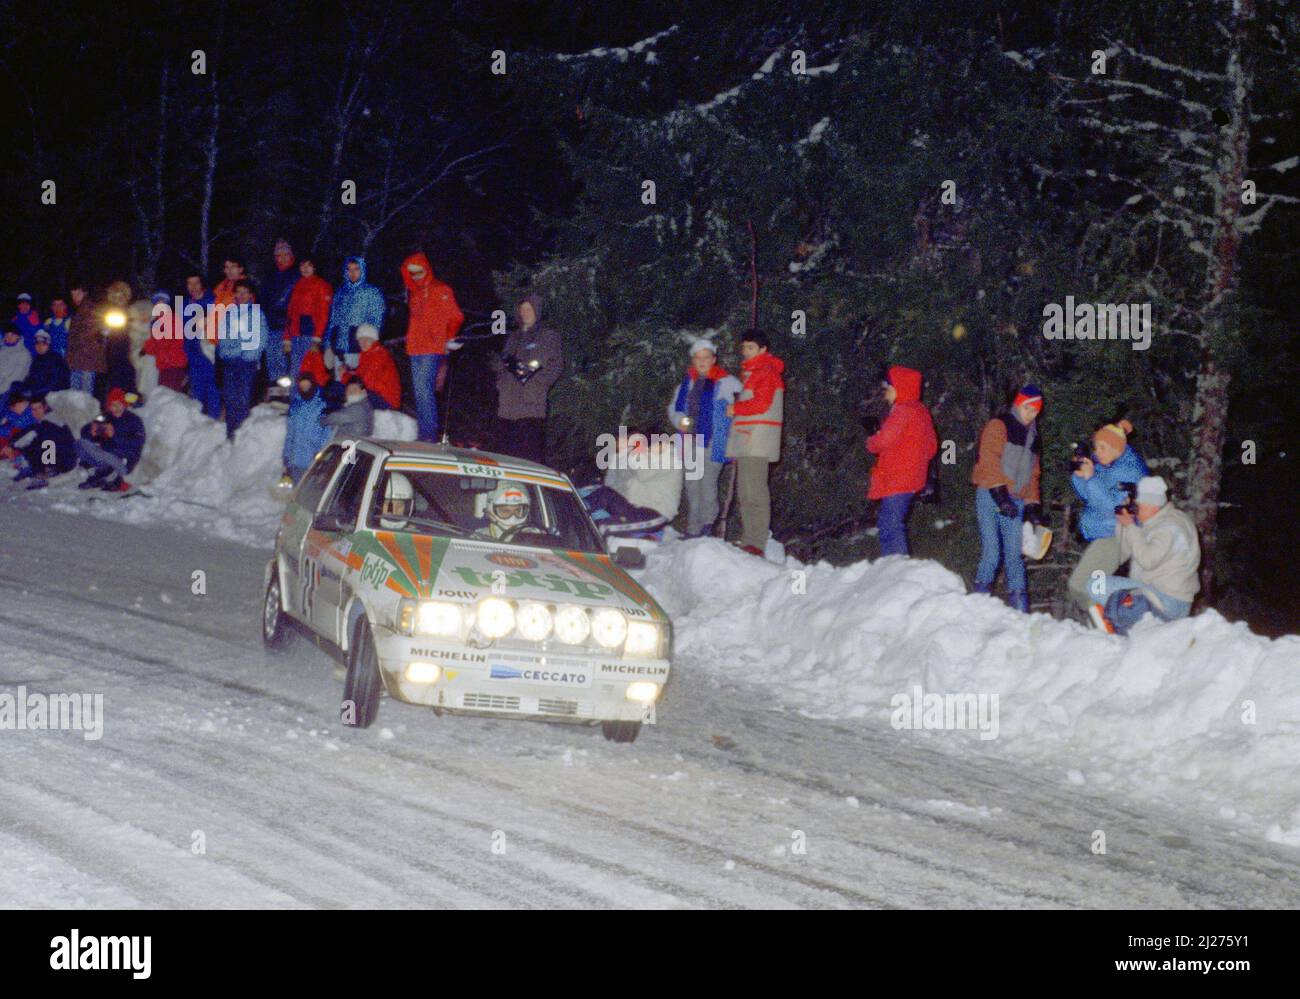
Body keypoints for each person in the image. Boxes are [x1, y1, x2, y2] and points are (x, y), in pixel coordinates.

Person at [1091, 476, 1201, 634]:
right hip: (1163, 596)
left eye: (1139, 505)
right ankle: (1121, 622)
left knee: (1099, 588)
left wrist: (1130, 526)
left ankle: (1116, 628)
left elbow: (1147, 560)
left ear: (1153, 505)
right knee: (1100, 582)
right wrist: (1123, 525)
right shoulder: (1159, 521)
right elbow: (1120, 556)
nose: (1136, 509)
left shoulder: (1170, 527)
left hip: (1167, 602)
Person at [971, 385, 1044, 612]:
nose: (1031, 414)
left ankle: (1019, 607)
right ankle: (978, 604)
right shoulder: (999, 425)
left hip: (1016, 500)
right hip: (990, 494)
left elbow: (1033, 473)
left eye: (1035, 410)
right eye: (1027, 408)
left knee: (1014, 555)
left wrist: (1032, 503)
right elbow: (989, 460)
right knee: (992, 552)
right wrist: (999, 495)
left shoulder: (1033, 436)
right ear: (1018, 404)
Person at [1067, 419, 1149, 613]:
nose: (1097, 453)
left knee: (1082, 585)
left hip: (1118, 535)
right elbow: (1091, 496)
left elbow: (1112, 507)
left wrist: (1091, 478)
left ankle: (1109, 625)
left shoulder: (1131, 471)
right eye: (1096, 447)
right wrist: (1079, 477)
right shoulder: (1108, 464)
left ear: (1116, 447)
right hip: (1105, 532)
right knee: (1088, 587)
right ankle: (1105, 624)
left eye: (1103, 447)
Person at [666, 338, 740, 537]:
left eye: (706, 357)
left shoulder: (727, 382)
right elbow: (674, 408)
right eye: (698, 358)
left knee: (707, 482)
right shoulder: (685, 384)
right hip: (689, 439)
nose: (702, 361)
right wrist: (679, 419)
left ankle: (708, 524)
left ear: (713, 359)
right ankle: (693, 528)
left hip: (714, 440)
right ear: (692, 360)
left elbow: (740, 408)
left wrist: (735, 440)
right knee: (692, 484)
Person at [865, 365, 938, 556]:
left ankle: (897, 569)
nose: (885, 393)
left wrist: (871, 441)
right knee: (890, 521)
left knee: (890, 524)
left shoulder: (902, 411)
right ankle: (894, 567)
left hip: (898, 478)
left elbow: (884, 440)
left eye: (888, 388)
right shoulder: (921, 411)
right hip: (913, 479)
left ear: (899, 388)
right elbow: (932, 447)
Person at [725, 329, 785, 556]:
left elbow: (761, 403)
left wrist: (736, 408)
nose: (746, 352)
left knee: (754, 491)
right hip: (748, 437)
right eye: (744, 347)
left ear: (763, 349)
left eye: (751, 347)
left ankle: (756, 541)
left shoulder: (766, 370)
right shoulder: (751, 372)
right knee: (746, 491)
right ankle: (748, 537)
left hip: (758, 438)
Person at [401, 252, 464, 442]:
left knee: (424, 390)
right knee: (419, 392)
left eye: (419, 272)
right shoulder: (415, 293)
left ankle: (428, 435)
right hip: (415, 348)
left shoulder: (441, 289)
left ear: (427, 270)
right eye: (412, 273)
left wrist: (449, 338)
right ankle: (424, 433)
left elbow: (456, 316)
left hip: (432, 347)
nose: (416, 276)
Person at [496, 293, 562, 464]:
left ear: (537, 311)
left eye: (529, 309)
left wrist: (536, 381)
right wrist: (501, 382)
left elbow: (536, 367)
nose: (525, 313)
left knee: (529, 455)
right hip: (507, 406)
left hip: (531, 405)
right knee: (507, 455)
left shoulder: (547, 336)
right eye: (522, 309)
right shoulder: (513, 337)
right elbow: (503, 364)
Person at [582, 429, 683, 538]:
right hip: (634, 508)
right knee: (605, 493)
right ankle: (576, 512)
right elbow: (618, 485)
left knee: (602, 526)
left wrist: (635, 452)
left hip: (655, 514)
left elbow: (644, 474)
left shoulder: (670, 459)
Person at [216, 279, 263, 438]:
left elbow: (260, 338)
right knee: (229, 398)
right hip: (230, 362)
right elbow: (223, 335)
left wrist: (248, 354)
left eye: (245, 292)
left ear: (250, 295)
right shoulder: (229, 312)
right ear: (234, 294)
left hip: (246, 362)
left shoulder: (256, 313)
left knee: (243, 399)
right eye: (239, 292)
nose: (241, 296)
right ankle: (230, 433)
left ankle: (241, 435)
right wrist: (225, 352)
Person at [77, 387, 146, 492]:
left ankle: (111, 476)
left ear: (124, 404)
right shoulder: (105, 416)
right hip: (105, 455)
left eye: (118, 404)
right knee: (79, 443)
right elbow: (86, 430)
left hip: (123, 460)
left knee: (109, 455)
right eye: (112, 405)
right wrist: (91, 430)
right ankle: (101, 473)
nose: (115, 408)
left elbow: (136, 444)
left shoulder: (134, 420)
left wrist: (115, 435)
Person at [325, 255, 385, 375]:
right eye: (349, 269)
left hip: (359, 342)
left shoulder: (372, 292)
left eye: (356, 269)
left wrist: (369, 341)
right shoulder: (340, 293)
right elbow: (332, 320)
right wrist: (327, 344)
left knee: (358, 379)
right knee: (341, 378)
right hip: (340, 342)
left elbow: (377, 319)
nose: (352, 273)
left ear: (362, 270)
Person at [284, 256, 333, 396]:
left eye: (309, 265)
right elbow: (291, 313)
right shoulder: (297, 285)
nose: (305, 268)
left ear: (315, 267)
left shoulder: (321, 285)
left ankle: (313, 403)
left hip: (311, 336)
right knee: (295, 371)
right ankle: (296, 402)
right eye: (303, 265)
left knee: (312, 370)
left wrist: (317, 338)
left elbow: (323, 314)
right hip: (296, 335)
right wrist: (287, 338)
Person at [11, 395, 77, 489]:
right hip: (63, 459)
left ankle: (41, 474)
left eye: (39, 408)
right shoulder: (47, 419)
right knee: (31, 439)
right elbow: (28, 430)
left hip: (65, 461)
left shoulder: (49, 421)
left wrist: (13, 446)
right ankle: (41, 469)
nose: (36, 412)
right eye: (33, 409)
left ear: (45, 407)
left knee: (32, 442)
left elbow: (38, 437)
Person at [260, 238, 300, 387]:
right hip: (271, 326)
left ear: (291, 255)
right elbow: (263, 299)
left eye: (285, 254)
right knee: (273, 363)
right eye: (278, 255)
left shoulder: (296, 276)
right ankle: (275, 395)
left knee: (288, 365)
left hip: (288, 328)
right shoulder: (271, 276)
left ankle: (288, 397)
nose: (281, 258)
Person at [181, 273, 220, 418]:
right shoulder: (184, 304)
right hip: (192, 352)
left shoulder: (213, 301)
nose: (193, 287)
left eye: (196, 283)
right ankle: (198, 425)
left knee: (212, 387)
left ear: (202, 284)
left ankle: (214, 421)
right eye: (189, 283)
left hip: (209, 350)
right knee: (197, 389)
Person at [282, 372, 332, 484]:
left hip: (312, 460)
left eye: (307, 385)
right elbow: (290, 434)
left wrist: (320, 455)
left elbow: (327, 433)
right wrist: (286, 456)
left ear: (312, 385)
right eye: (302, 385)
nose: (305, 388)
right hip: (295, 460)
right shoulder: (295, 405)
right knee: (296, 492)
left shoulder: (322, 404)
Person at [343, 324, 401, 410]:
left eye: (367, 339)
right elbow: (360, 376)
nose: (363, 342)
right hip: (377, 394)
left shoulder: (379, 354)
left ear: (374, 340)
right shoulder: (366, 354)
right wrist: (347, 373)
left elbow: (363, 383)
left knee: (344, 391)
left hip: (386, 401)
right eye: (360, 340)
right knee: (342, 391)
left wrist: (344, 376)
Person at [142, 288, 188, 392]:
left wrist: (163, 350)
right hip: (163, 365)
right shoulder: (155, 322)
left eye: (163, 302)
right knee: (163, 394)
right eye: (157, 303)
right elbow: (153, 344)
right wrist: (146, 348)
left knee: (170, 394)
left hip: (174, 363)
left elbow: (177, 340)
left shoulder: (173, 318)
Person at [66, 286, 105, 397]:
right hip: (78, 360)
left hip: (87, 359)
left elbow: (88, 335)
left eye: (77, 294)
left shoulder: (89, 309)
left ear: (84, 293)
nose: (75, 298)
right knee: (76, 394)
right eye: (72, 295)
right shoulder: (78, 311)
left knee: (84, 394)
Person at [101, 280, 136, 395]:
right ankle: (114, 401)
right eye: (116, 295)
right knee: (114, 378)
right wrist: (103, 333)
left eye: (121, 295)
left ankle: (131, 402)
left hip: (130, 349)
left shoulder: (132, 310)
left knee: (129, 377)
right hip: (114, 350)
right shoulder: (109, 312)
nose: (119, 298)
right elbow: (104, 330)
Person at [21, 330, 71, 396]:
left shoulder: (55, 359)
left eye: (43, 344)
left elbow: (54, 383)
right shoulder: (37, 359)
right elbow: (31, 378)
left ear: (49, 345)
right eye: (37, 344)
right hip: (40, 392)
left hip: (55, 394)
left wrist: (34, 392)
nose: (40, 347)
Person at [0, 326, 32, 399]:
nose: (9, 338)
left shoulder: (24, 354)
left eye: (12, 335)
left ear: (18, 336)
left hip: (10, 392)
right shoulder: (2, 350)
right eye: (7, 335)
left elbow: (16, 378)